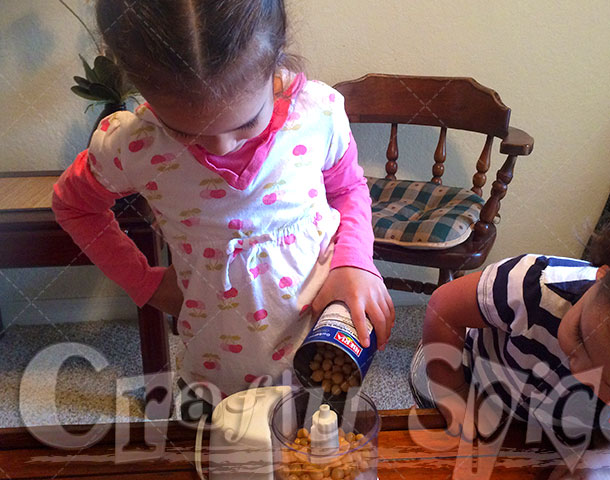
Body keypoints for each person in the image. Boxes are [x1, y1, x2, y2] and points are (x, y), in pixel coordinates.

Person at [52, 0, 394, 413]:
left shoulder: (316, 115)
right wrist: (144, 281)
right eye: (184, 131)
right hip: (212, 377)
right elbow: (74, 207)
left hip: (319, 360)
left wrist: (354, 260)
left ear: (275, 58)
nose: (220, 147)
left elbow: (349, 188)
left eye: (245, 124)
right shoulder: (134, 146)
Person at [412, 203, 610, 478]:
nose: (578, 367)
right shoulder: (528, 286)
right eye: (581, 337)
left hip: (568, 426)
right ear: (603, 273)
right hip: (479, 381)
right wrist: (456, 396)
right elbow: (443, 310)